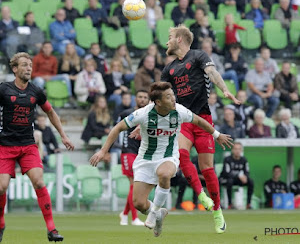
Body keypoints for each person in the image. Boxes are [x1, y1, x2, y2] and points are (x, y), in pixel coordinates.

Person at [90, 82, 233, 237]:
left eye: (172, 95)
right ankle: (158, 214)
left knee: (165, 174)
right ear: (158, 102)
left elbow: (199, 121)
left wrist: (217, 135)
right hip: (145, 160)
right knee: (138, 203)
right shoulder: (143, 114)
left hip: (168, 156)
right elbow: (117, 128)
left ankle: (154, 212)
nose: (173, 99)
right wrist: (103, 152)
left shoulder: (179, 111)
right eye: (168, 97)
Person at [161, 24, 240, 234]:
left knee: (207, 168)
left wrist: (224, 89)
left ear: (179, 39)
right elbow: (158, 97)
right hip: (184, 119)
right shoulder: (168, 69)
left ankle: (217, 211)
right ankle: (200, 194)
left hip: (203, 119)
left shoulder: (198, 56)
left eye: (169, 37)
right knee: (181, 154)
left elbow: (212, 73)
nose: (166, 41)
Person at [0, 52, 74, 242]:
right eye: (24, 65)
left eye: (30, 65)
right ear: (15, 69)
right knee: (1, 187)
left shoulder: (36, 91)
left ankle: (51, 229)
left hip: (27, 145)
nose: (29, 68)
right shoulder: (4, 89)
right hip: (5, 146)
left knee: (39, 182)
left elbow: (51, 112)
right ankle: (0, 222)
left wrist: (63, 136)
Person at [118, 90, 150, 226]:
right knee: (134, 184)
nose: (142, 99)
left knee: (135, 185)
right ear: (135, 99)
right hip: (128, 151)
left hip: (141, 153)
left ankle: (124, 214)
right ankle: (134, 218)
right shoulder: (127, 114)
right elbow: (117, 130)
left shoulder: (149, 115)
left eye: (145, 97)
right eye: (140, 97)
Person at [219, 142, 254, 209]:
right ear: (232, 150)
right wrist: (238, 175)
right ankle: (229, 204)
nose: (237, 151)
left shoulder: (244, 160)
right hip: (226, 179)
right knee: (229, 181)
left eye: (239, 149)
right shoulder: (227, 159)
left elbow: (247, 171)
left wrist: (245, 177)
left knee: (250, 182)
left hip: (238, 180)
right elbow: (227, 173)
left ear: (241, 150)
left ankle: (248, 204)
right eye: (235, 149)